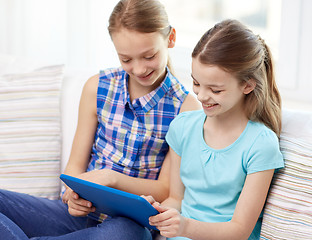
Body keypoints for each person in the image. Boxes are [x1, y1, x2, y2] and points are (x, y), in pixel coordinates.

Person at [0, 0, 199, 239]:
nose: (138, 69)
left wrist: (111, 178)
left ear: (171, 38)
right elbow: (75, 166)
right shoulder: (97, 87)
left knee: (122, 235)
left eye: (149, 56)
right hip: (76, 215)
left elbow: (166, 188)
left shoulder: (185, 107)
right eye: (126, 59)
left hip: (129, 225)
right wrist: (71, 194)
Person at [144, 19, 285, 240]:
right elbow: (176, 199)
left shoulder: (261, 143)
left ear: (247, 85)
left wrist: (185, 227)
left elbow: (239, 230)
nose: (201, 96)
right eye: (196, 84)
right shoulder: (183, 127)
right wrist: (159, 213)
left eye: (215, 90)